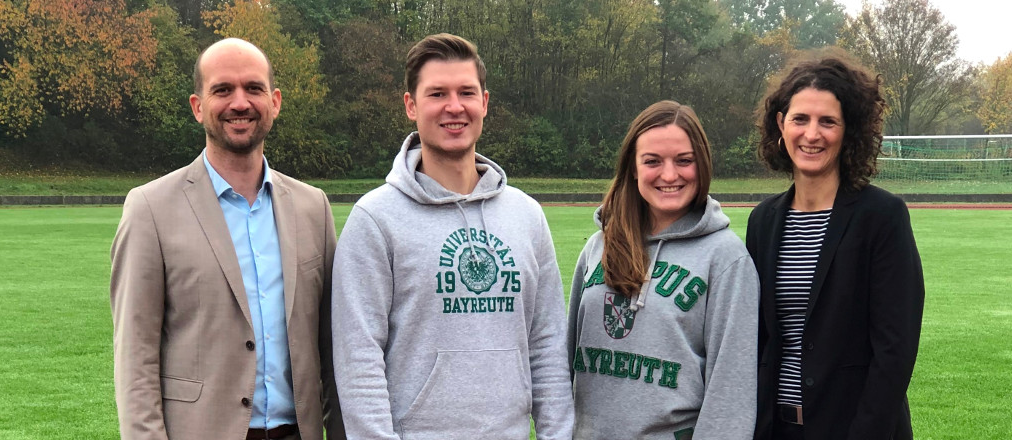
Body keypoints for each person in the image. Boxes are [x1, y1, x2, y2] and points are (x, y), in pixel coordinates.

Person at [331, 33, 574, 439]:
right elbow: (359, 360)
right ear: (411, 105)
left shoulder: (526, 216)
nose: (454, 107)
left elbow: (547, 345)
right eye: (437, 93)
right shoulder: (375, 218)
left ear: (485, 103)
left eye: (466, 92)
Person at [110, 38, 344, 440]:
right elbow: (135, 359)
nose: (240, 103)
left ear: (275, 102)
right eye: (222, 90)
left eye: (253, 88)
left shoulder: (313, 209)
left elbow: (333, 351)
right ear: (198, 106)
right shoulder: (150, 208)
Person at [746, 54, 925, 440]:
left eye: (828, 121)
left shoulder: (882, 216)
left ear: (848, 131)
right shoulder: (762, 221)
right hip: (777, 429)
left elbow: (894, 350)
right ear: (781, 124)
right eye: (800, 119)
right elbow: (760, 339)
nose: (812, 134)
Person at [566, 100, 759, 439]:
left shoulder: (726, 259)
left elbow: (731, 392)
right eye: (652, 161)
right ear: (633, 168)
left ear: (702, 165)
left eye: (684, 161)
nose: (670, 175)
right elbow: (566, 361)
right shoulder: (599, 247)